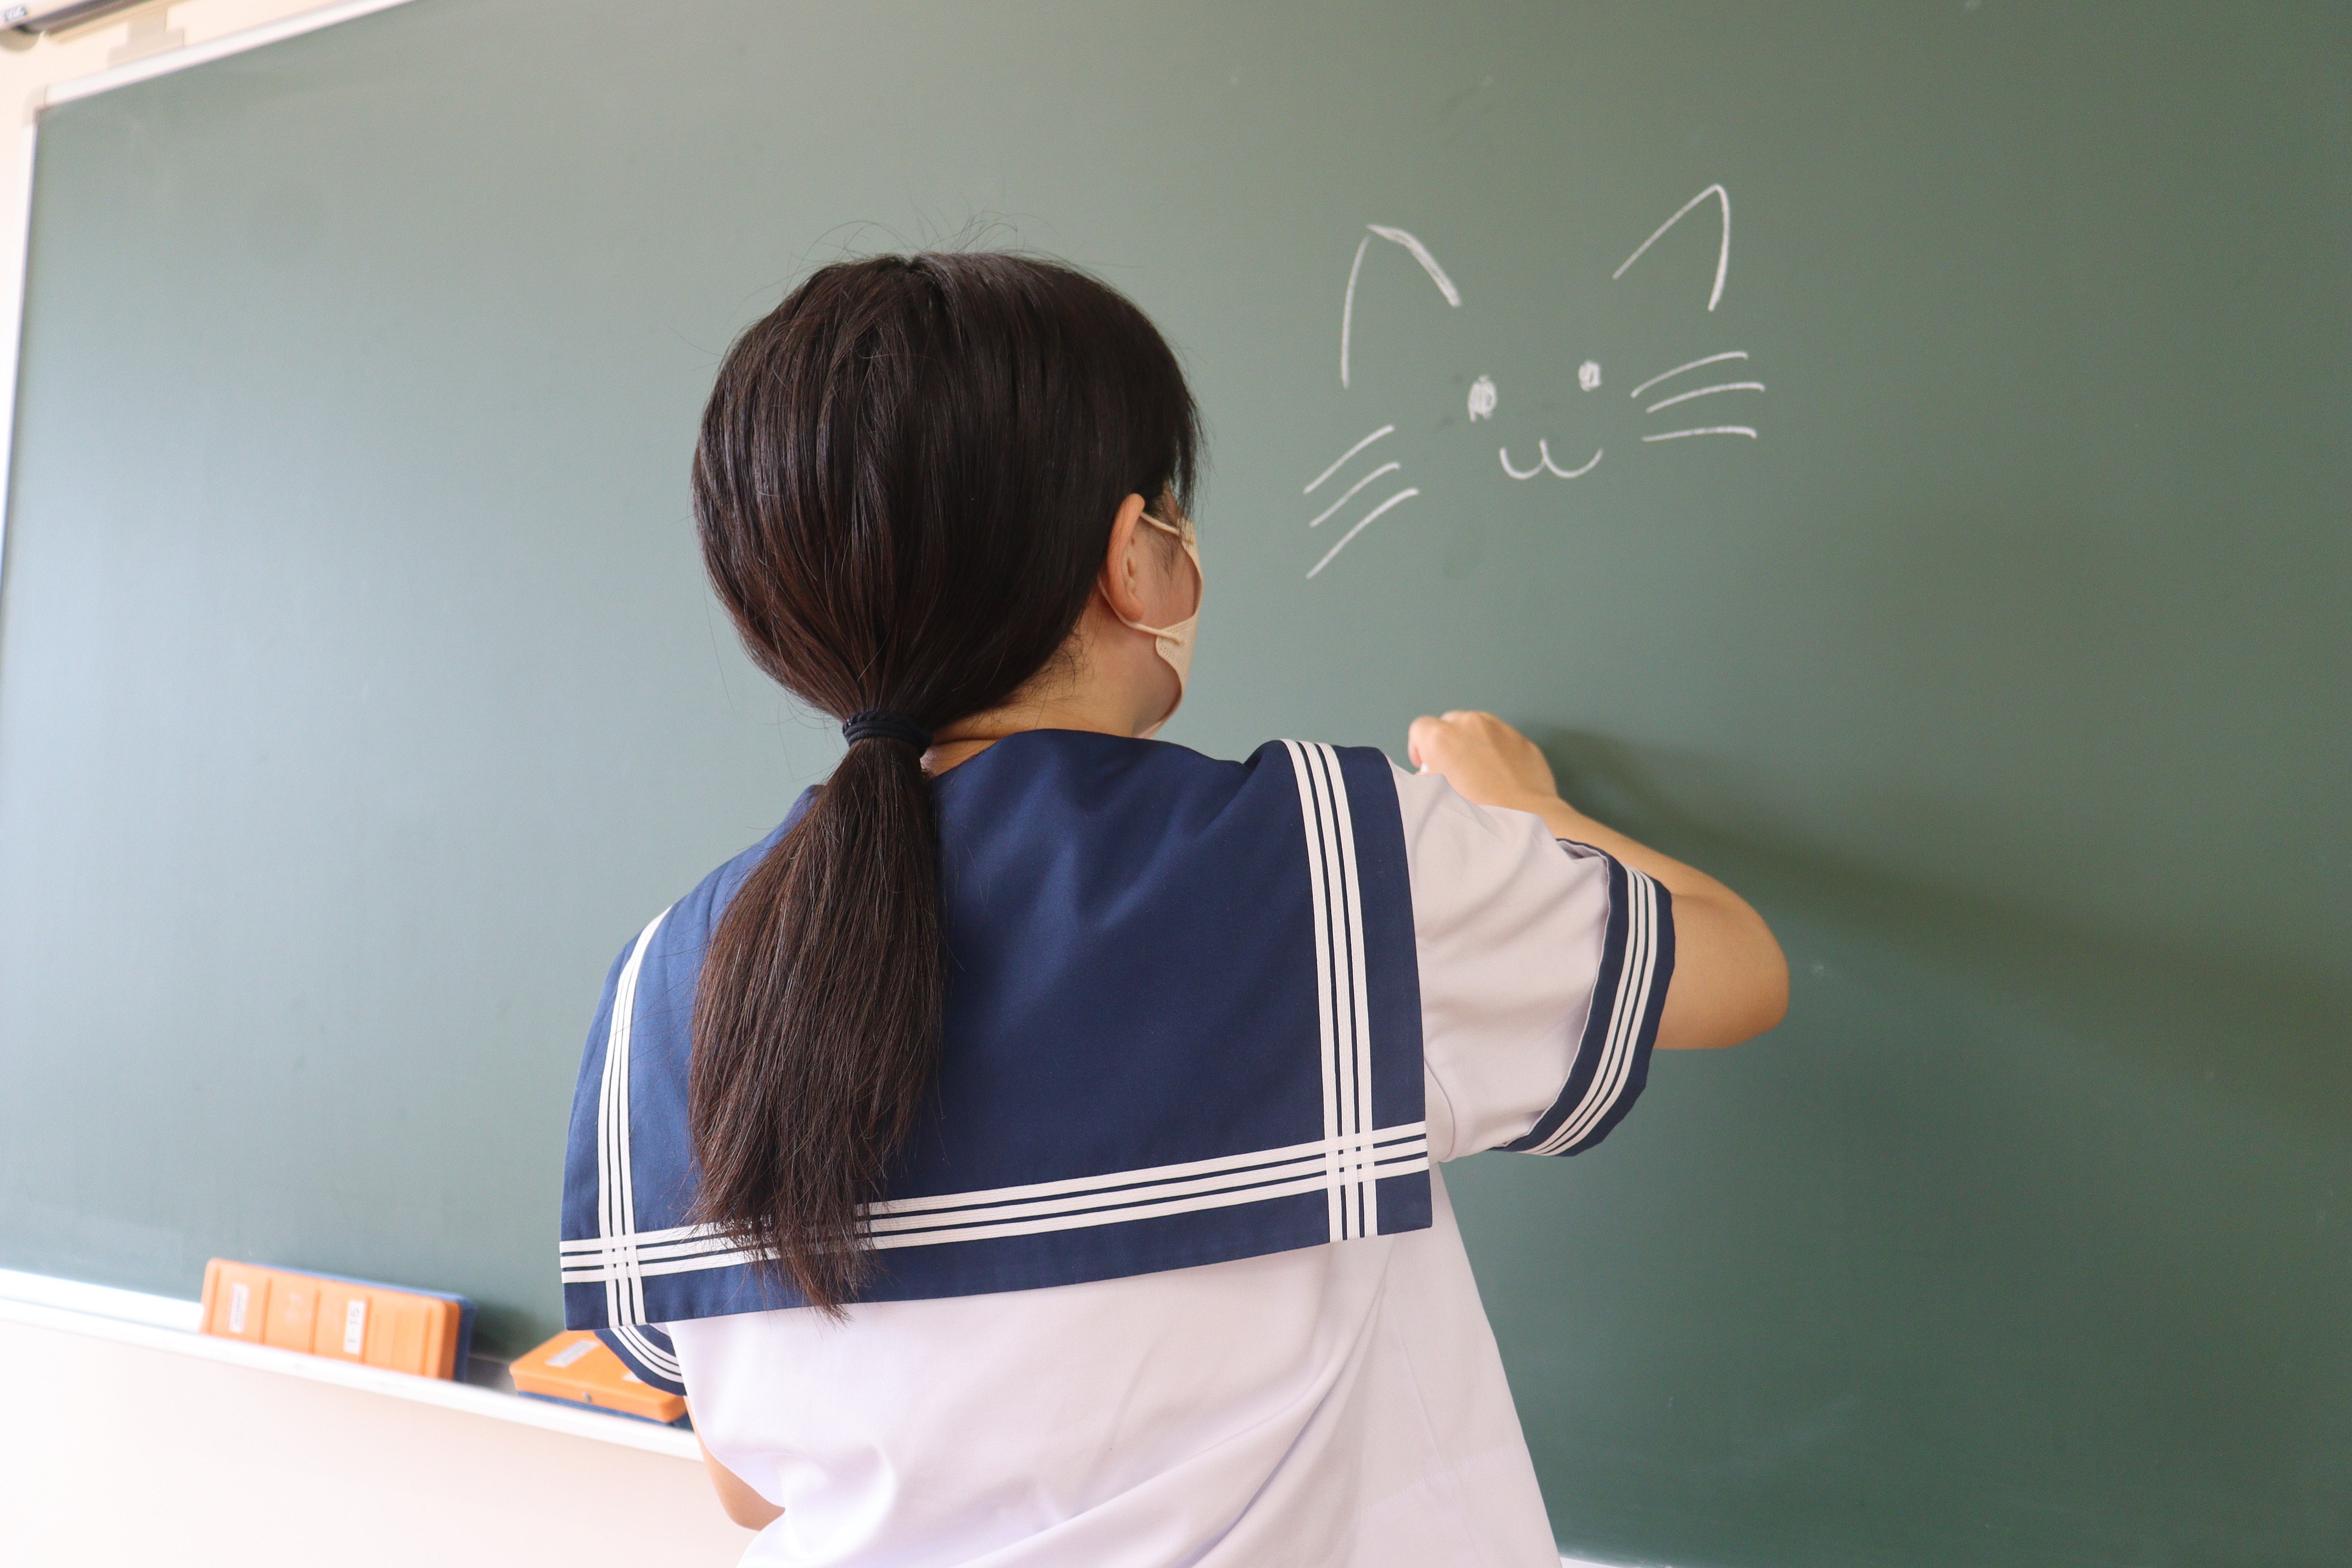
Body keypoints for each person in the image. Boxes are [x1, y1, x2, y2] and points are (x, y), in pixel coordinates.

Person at [559, 252, 1787, 1567]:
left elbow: (747, 1485)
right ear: (1133, 559)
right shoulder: (1326, 864)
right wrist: (1521, 806)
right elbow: (1735, 966)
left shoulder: (665, 990)